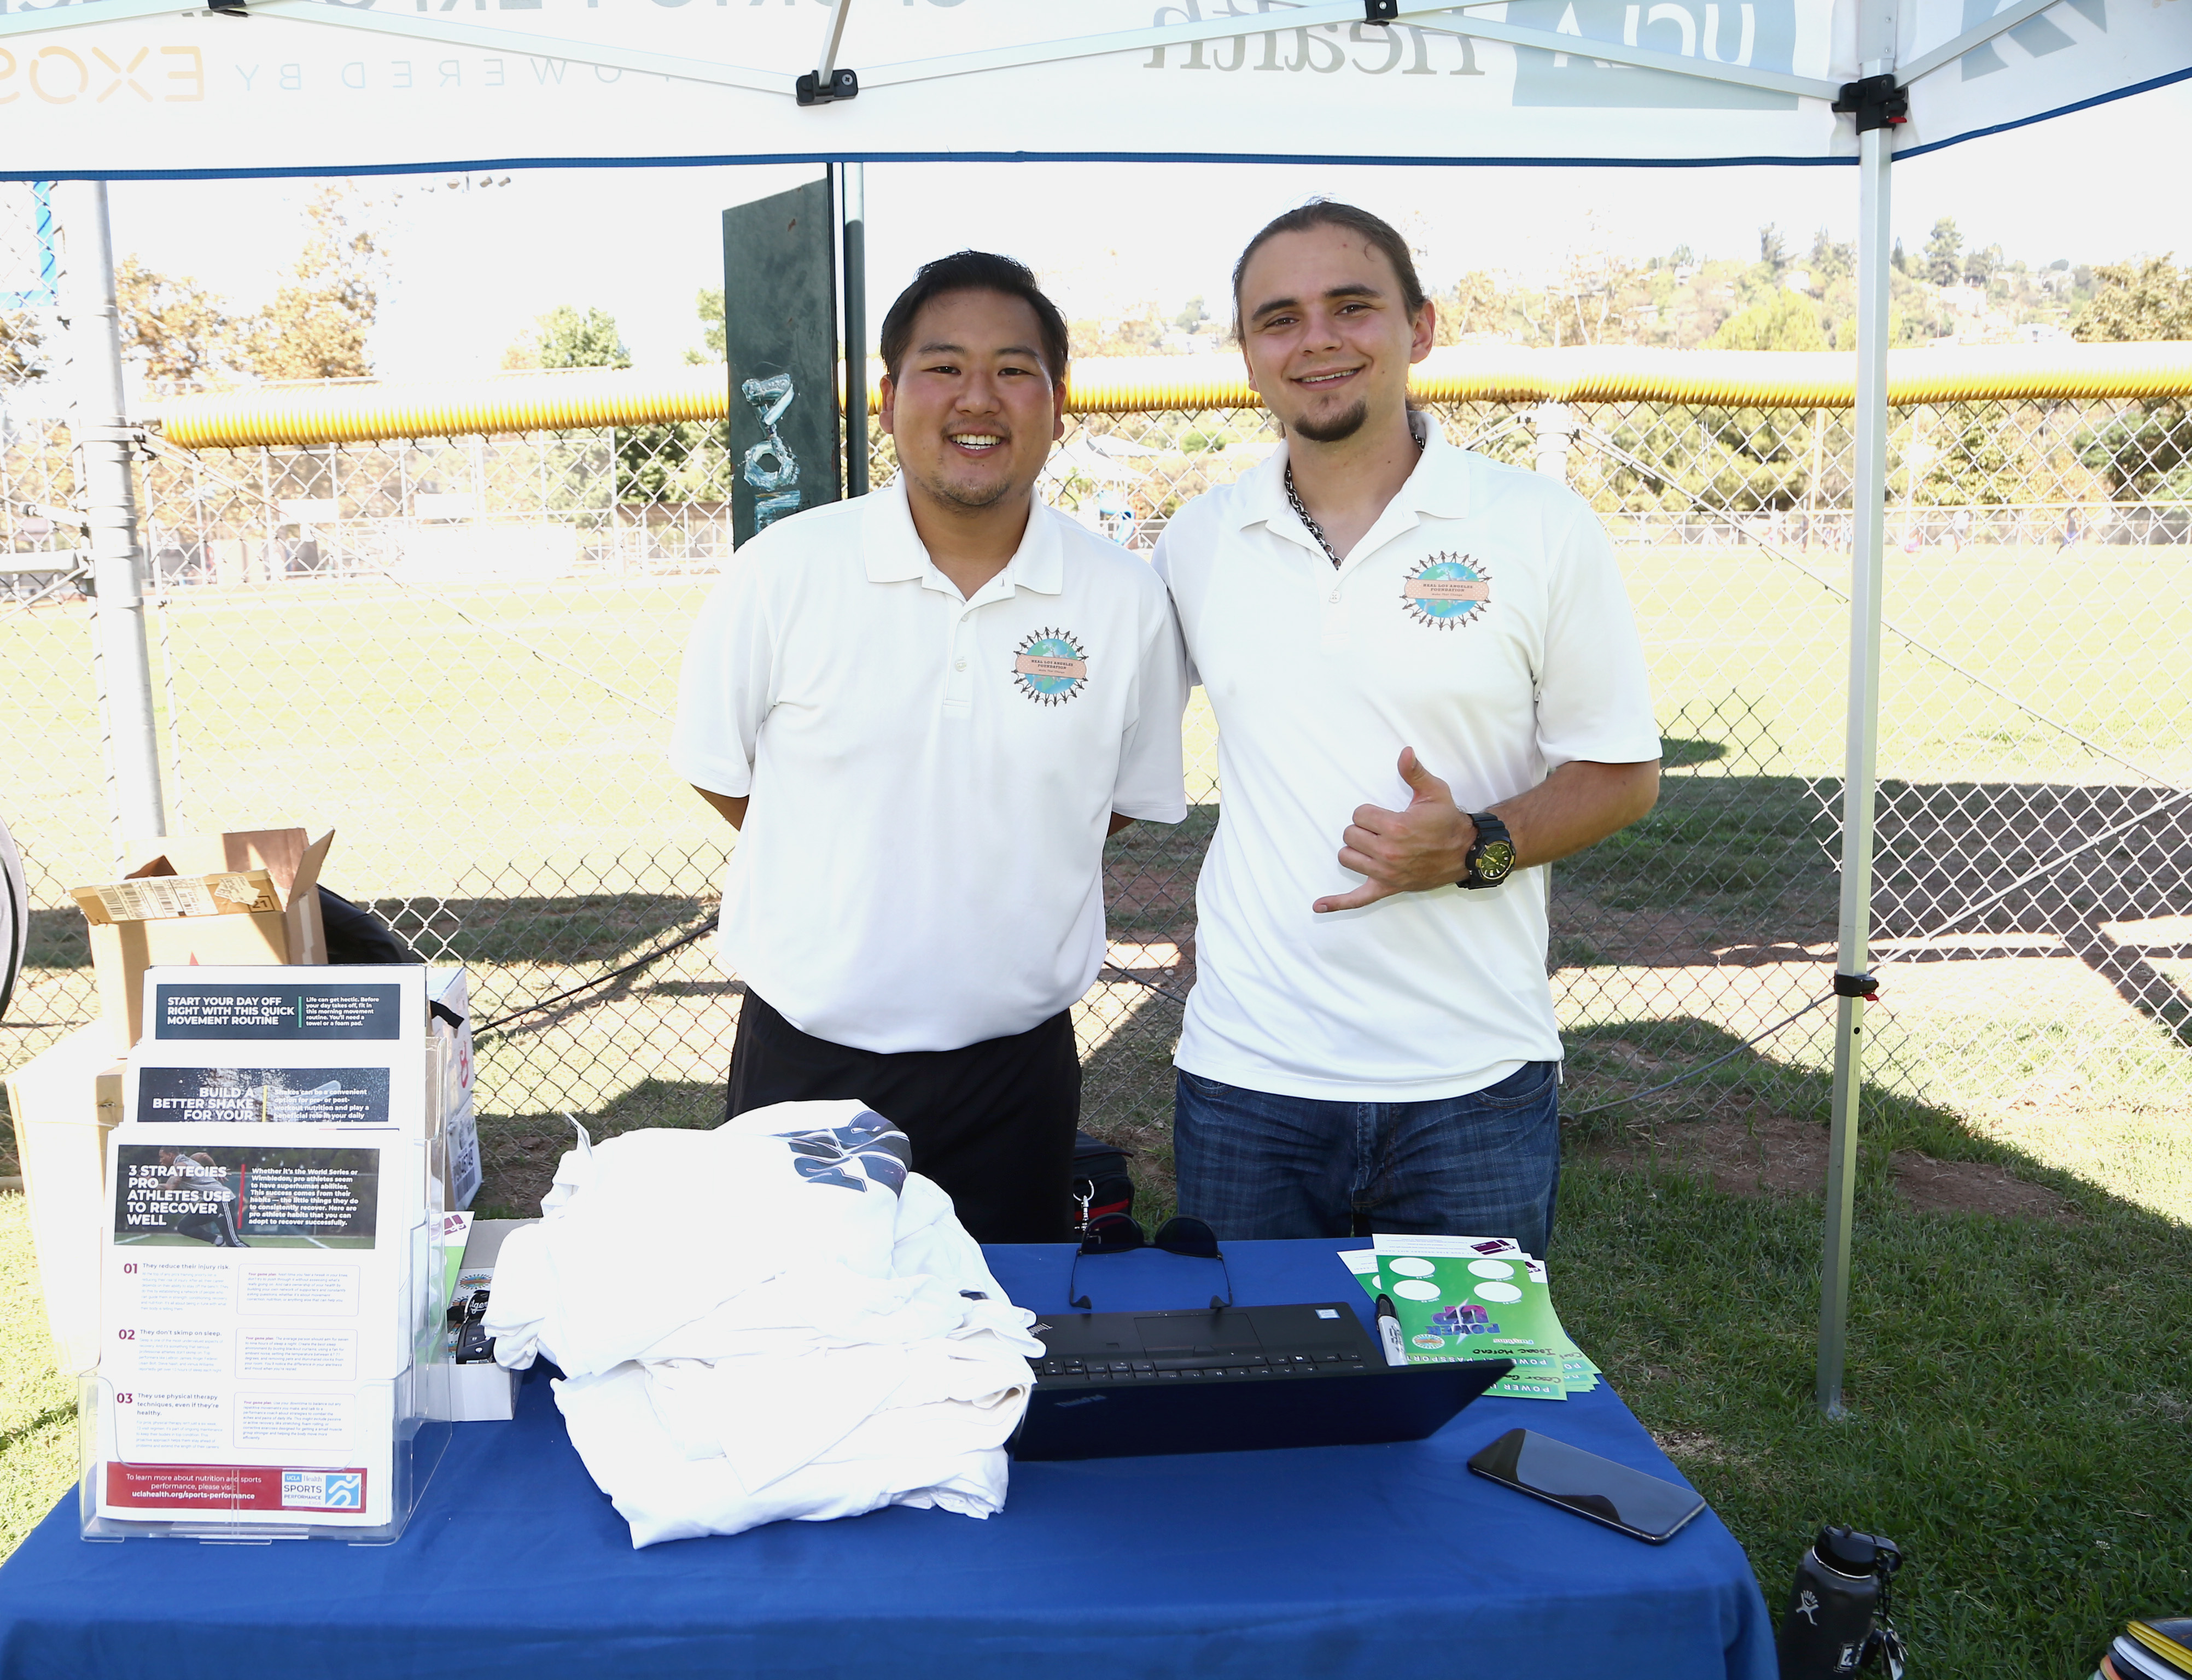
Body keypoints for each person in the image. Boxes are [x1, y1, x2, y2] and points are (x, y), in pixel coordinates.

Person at [1151, 201, 1662, 1258]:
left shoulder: (1537, 526)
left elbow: (1621, 775)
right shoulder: (1199, 541)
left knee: (1469, 1410)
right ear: (1246, 355)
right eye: (1279, 319)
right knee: (1260, 1410)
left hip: (1472, 1083)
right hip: (1250, 1077)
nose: (1319, 340)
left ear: (1419, 329)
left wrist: (1474, 845)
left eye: (1352, 307)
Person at [670, 250, 1191, 1244]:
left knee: (995, 1349)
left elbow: (1109, 802)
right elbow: (723, 774)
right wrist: (851, 855)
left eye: (1013, 368)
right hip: (808, 1058)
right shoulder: (783, 572)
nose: (977, 398)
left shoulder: (1123, 599)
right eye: (943, 367)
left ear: (1058, 399)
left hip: (1014, 1071)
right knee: (796, 1337)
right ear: (888, 397)